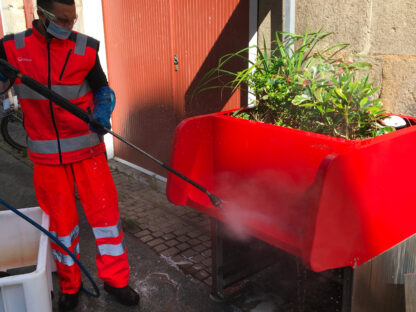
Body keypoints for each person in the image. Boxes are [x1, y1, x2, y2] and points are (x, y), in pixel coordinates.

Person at [0, 0, 140, 310]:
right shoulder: (12, 48)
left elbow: (102, 88)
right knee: (61, 226)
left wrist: (104, 110)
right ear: (42, 14)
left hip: (88, 152)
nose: (68, 26)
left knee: (106, 221)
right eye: (61, 20)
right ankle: (69, 285)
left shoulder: (84, 49)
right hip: (48, 160)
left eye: (72, 19)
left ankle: (116, 281)